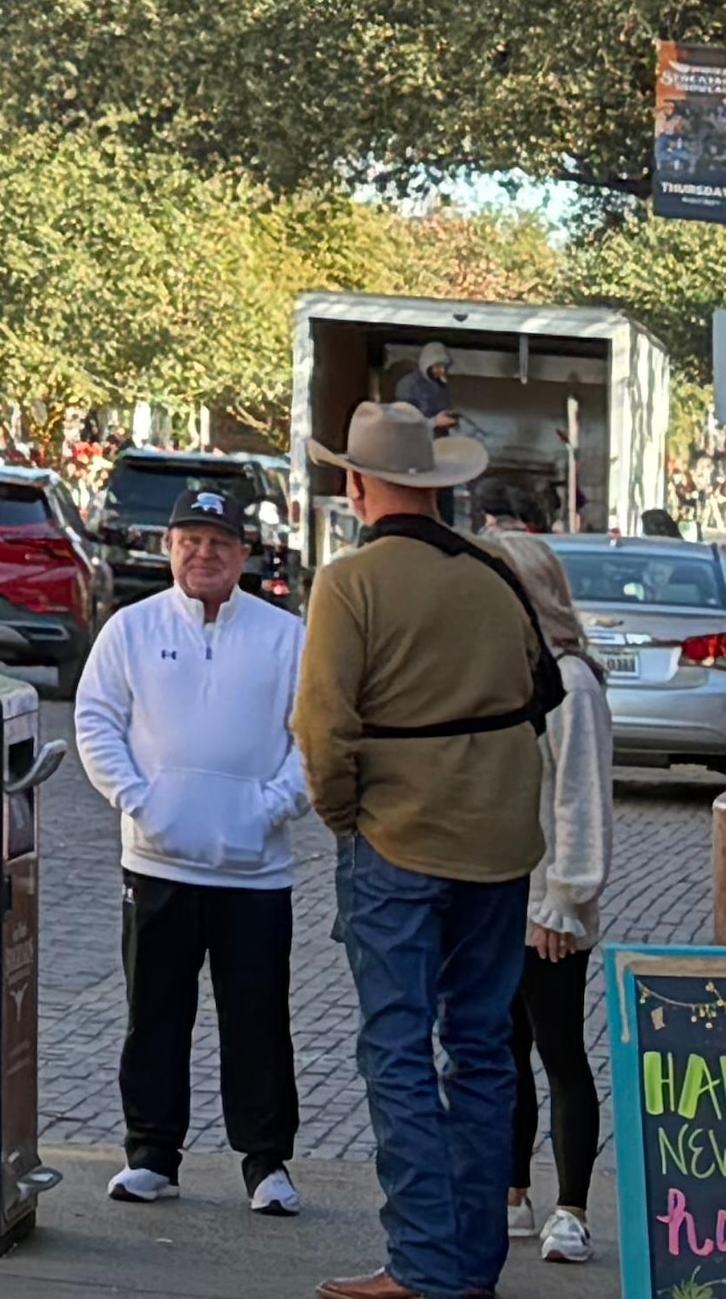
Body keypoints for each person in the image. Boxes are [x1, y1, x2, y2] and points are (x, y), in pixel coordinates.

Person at [300, 400, 561, 1299]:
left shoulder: (350, 582)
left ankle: (420, 1266)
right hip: (498, 843)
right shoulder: (493, 573)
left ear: (357, 483)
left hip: (398, 841)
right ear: (435, 485)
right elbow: (540, 690)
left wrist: (346, 817)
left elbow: (323, 728)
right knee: (485, 1049)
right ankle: (471, 1268)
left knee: (398, 1049)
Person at [74, 480, 310, 1215]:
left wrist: (273, 806)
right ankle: (152, 1154)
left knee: (259, 1017)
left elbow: (314, 736)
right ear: (169, 548)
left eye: (218, 544)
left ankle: (266, 1162)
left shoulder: (284, 636)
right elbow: (95, 720)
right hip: (157, 863)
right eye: (190, 543)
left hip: (256, 870)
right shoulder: (132, 629)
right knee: (156, 1011)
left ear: (243, 554)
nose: (203, 555)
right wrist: (141, 802)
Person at [494, 533, 610, 1267]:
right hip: (494, 896)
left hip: (547, 905)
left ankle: (570, 1207)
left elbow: (581, 801)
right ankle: (510, 1193)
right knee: (501, 1051)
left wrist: (563, 900)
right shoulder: (500, 675)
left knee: (559, 1049)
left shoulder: (572, 682)